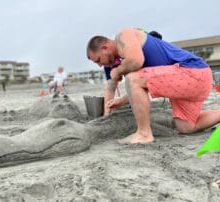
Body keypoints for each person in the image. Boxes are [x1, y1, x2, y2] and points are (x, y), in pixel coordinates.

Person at [86, 28, 220, 144]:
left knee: (133, 79)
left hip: (194, 72)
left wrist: (119, 71)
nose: (99, 65)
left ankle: (144, 134)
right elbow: (113, 87)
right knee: (187, 127)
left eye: (98, 60)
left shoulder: (123, 35)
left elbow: (136, 61)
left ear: (105, 48)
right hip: (187, 84)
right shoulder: (111, 64)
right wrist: (106, 115)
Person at [102, 30, 163, 115]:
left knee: (136, 80)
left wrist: (122, 101)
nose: (99, 65)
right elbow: (110, 85)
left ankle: (133, 103)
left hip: (138, 55)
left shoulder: (145, 49)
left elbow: (147, 84)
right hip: (128, 58)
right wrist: (107, 110)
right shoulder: (110, 58)